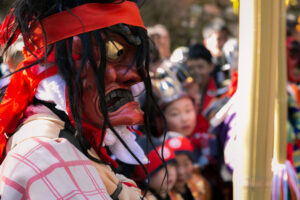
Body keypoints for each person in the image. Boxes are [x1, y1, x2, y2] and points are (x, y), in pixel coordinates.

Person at [0, 0, 164, 199]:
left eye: (138, 58)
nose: (135, 76)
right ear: (63, 62)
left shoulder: (68, 146)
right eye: (115, 51)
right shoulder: (48, 158)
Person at [186, 44, 217, 115]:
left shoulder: (220, 90)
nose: (196, 72)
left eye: (200, 67)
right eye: (191, 68)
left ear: (211, 66)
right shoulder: (184, 90)